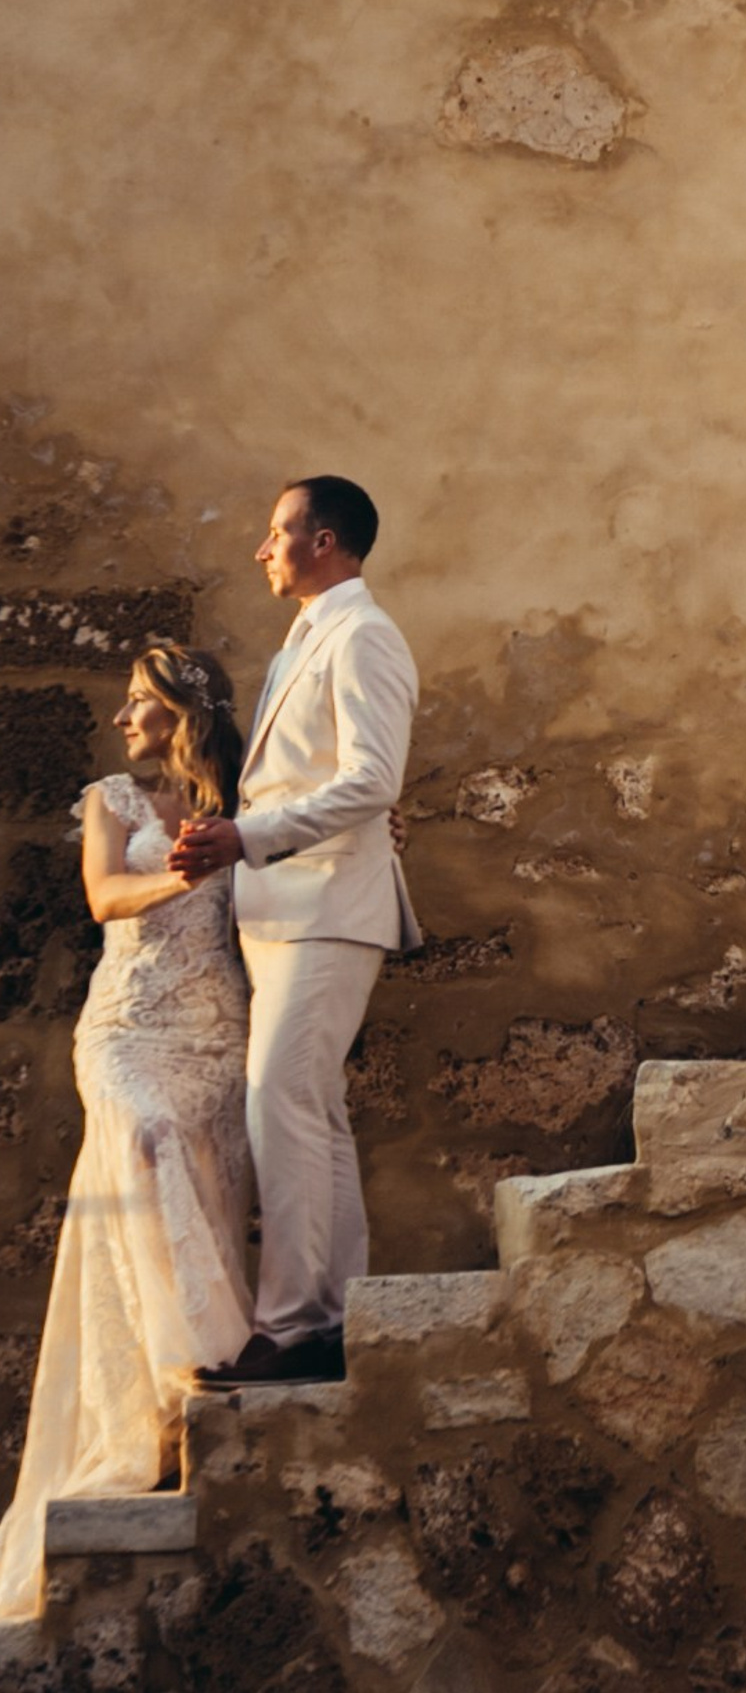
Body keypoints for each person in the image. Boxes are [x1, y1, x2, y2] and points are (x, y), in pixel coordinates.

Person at [0, 644, 255, 1618]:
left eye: (139, 702)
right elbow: (106, 897)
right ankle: (187, 1371)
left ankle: (183, 1394)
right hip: (127, 1027)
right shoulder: (111, 800)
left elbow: (302, 861)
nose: (122, 716)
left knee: (203, 1176)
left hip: (214, 1029)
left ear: (181, 713)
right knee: (146, 1141)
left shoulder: (243, 799)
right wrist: (185, 875)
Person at [172, 476, 420, 1388]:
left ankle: (289, 1326)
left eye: (275, 533)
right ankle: (344, 1315)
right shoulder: (297, 647)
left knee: (279, 1099)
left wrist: (249, 837)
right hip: (281, 915)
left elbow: (371, 779)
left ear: (322, 541)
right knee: (312, 1113)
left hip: (328, 911)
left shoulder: (365, 635)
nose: (261, 549)